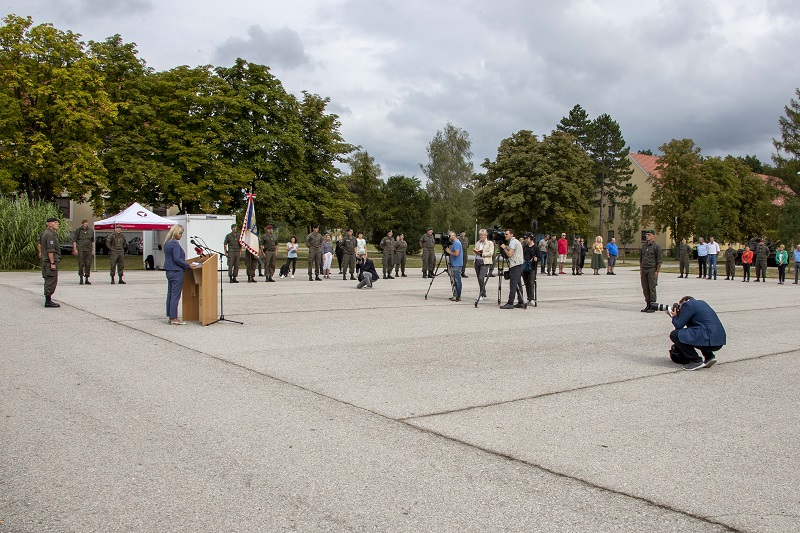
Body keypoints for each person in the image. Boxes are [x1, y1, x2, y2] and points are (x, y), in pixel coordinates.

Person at [666, 296, 726, 371]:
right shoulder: (702, 303)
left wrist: (674, 316)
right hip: (718, 341)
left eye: (680, 307)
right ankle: (709, 357)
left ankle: (695, 360)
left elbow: (678, 325)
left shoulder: (687, 304)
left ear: (683, 302)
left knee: (674, 335)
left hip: (707, 336)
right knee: (693, 333)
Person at [163, 224, 194, 326]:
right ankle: (174, 318)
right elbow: (177, 259)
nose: (181, 236)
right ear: (177, 232)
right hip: (176, 271)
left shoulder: (167, 243)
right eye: (181, 233)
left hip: (169, 271)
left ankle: (170, 315)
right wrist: (187, 265)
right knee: (175, 295)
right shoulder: (175, 244)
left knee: (170, 294)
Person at [499, 229, 525, 309]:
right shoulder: (515, 242)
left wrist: (504, 248)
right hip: (518, 264)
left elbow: (510, 254)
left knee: (513, 284)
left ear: (511, 234)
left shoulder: (513, 242)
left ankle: (510, 302)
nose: (505, 235)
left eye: (507, 234)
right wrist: (507, 248)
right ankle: (520, 301)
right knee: (518, 284)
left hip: (515, 265)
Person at [39, 217, 61, 308]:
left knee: (48, 279)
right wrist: (52, 263)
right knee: (51, 280)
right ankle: (48, 301)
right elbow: (50, 250)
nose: (57, 224)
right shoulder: (50, 234)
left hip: (45, 261)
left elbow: (39, 244)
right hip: (49, 262)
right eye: (55, 223)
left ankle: (48, 299)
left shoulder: (44, 233)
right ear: (50, 224)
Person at [639, 230, 662, 312]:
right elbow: (641, 259)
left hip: (652, 268)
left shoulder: (656, 246)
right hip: (644, 268)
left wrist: (657, 271)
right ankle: (648, 304)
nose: (647, 236)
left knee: (651, 287)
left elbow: (659, 260)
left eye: (649, 234)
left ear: (653, 236)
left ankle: (653, 305)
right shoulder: (644, 246)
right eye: (646, 235)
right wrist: (641, 269)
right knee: (645, 287)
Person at [473, 229, 494, 301]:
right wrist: (476, 251)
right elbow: (475, 250)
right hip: (477, 261)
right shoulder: (478, 243)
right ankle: (483, 292)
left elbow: (491, 253)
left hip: (484, 262)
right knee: (479, 279)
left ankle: (481, 294)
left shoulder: (490, 243)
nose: (481, 236)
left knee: (481, 277)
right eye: (480, 235)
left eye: (482, 235)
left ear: (486, 235)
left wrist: (482, 253)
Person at [72, 219, 94, 285]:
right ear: (82, 223)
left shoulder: (90, 230)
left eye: (87, 222)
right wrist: (75, 249)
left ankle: (87, 278)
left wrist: (93, 249)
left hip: (88, 249)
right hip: (81, 249)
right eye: (85, 223)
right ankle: (81, 278)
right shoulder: (78, 230)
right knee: (81, 264)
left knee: (88, 264)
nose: (86, 224)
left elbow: (92, 241)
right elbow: (74, 240)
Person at [444, 231, 463, 302]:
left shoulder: (457, 243)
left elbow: (456, 254)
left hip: (457, 264)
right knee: (454, 280)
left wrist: (449, 252)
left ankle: (458, 295)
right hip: (454, 263)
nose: (448, 237)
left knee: (457, 280)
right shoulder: (454, 243)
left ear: (453, 236)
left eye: (449, 236)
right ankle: (455, 294)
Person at [522, 233, 539, 305]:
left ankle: (532, 298)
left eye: (527, 238)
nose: (526, 240)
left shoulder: (536, 247)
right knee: (526, 283)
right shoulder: (525, 247)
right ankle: (528, 298)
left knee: (531, 282)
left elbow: (539, 257)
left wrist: (536, 259)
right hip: (525, 267)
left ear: (531, 238)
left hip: (532, 267)